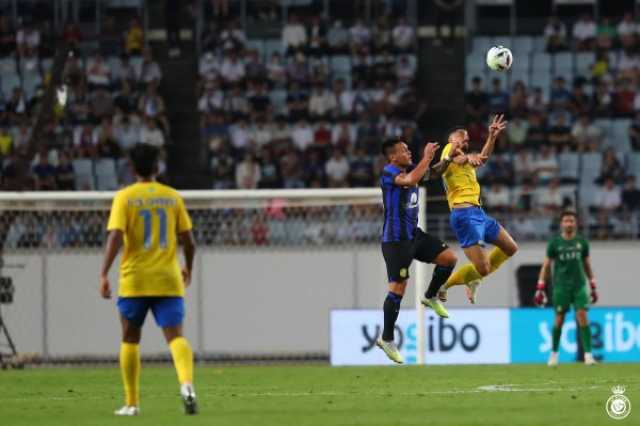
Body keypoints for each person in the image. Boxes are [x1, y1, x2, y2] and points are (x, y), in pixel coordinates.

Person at [99, 143, 198, 416]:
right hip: (167, 279)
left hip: (135, 281)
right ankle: (187, 385)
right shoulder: (172, 197)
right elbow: (189, 241)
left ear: (132, 168)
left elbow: (115, 237)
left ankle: (132, 404)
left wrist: (103, 273)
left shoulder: (125, 197)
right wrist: (187, 266)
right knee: (176, 337)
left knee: (130, 339)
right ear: (157, 167)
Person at [376, 139, 460, 364]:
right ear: (393, 156)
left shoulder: (410, 169)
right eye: (404, 150)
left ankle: (431, 295)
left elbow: (430, 173)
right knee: (398, 289)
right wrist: (426, 157)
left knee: (449, 259)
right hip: (396, 241)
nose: (408, 151)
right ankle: (387, 339)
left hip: (414, 235)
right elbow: (412, 179)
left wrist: (448, 159)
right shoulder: (389, 172)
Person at [437, 115, 519, 304]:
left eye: (467, 137)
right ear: (451, 140)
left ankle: (474, 279)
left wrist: (492, 137)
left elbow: (481, 159)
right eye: (461, 136)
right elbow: (458, 159)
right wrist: (469, 157)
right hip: (463, 215)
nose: (465, 139)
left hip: (479, 213)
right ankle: (444, 284)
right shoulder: (449, 151)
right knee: (483, 268)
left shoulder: (466, 164)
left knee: (510, 247)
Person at [534, 210, 598, 367]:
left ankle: (588, 356)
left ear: (575, 223)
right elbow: (547, 265)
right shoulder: (555, 243)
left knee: (582, 316)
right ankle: (554, 355)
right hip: (561, 286)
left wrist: (593, 284)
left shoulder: (582, 243)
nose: (569, 223)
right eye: (566, 221)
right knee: (559, 319)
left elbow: (587, 264)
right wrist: (540, 285)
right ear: (561, 224)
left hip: (579, 285)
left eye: (571, 221)